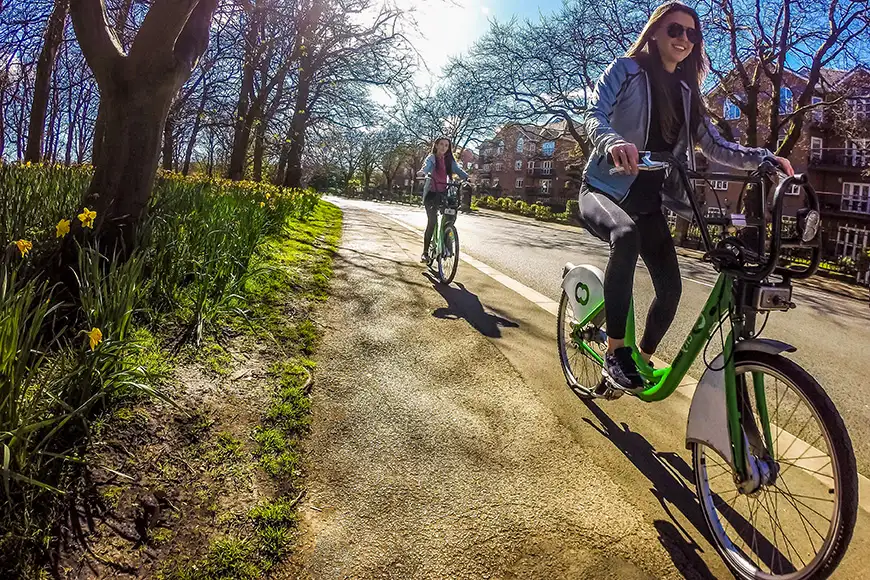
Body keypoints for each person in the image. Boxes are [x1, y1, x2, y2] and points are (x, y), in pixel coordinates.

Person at [581, 0, 794, 391]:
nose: (683, 39)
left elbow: (714, 146)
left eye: (691, 34)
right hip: (604, 189)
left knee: (671, 291)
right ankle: (616, 352)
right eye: (675, 30)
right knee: (625, 237)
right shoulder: (625, 70)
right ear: (656, 32)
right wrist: (613, 142)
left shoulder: (686, 92)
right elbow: (594, 113)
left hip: (650, 202)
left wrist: (765, 158)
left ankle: (639, 362)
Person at [417, 137, 468, 263]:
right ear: (436, 145)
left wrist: (467, 178)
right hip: (432, 194)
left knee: (451, 216)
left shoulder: (450, 160)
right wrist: (423, 173)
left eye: (446, 145)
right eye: (441, 144)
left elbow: (458, 170)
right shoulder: (432, 158)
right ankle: (425, 253)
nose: (444, 147)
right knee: (432, 221)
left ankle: (447, 244)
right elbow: (427, 167)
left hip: (445, 193)